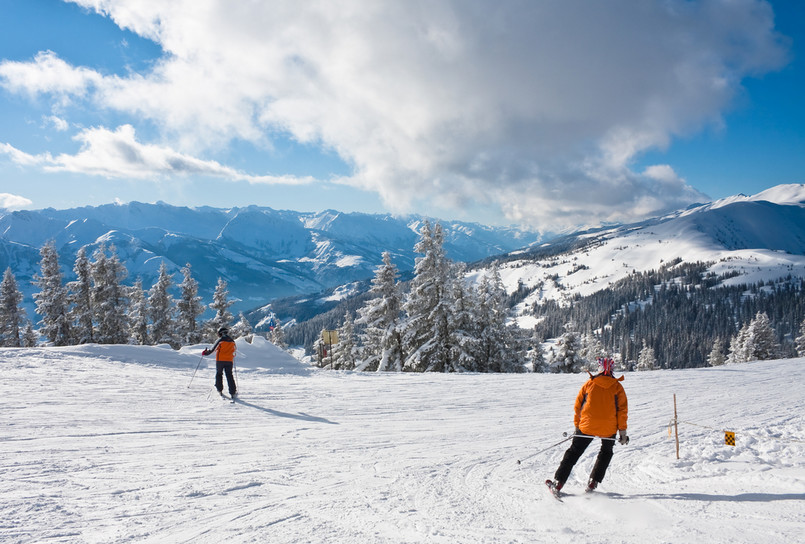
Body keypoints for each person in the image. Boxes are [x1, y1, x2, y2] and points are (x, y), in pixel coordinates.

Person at [548, 357, 628, 493]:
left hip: (586, 426)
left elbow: (578, 406)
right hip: (609, 428)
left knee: (573, 452)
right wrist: (622, 433)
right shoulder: (617, 387)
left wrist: (577, 426)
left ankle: (558, 483)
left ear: (600, 369)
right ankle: (593, 482)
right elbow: (622, 411)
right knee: (606, 452)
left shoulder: (589, 384)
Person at [202, 327, 237, 398]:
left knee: (219, 374)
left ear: (221, 333)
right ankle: (232, 391)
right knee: (229, 375)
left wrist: (205, 353)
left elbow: (212, 350)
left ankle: (219, 389)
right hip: (229, 361)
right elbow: (234, 352)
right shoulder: (232, 341)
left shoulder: (220, 340)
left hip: (220, 360)